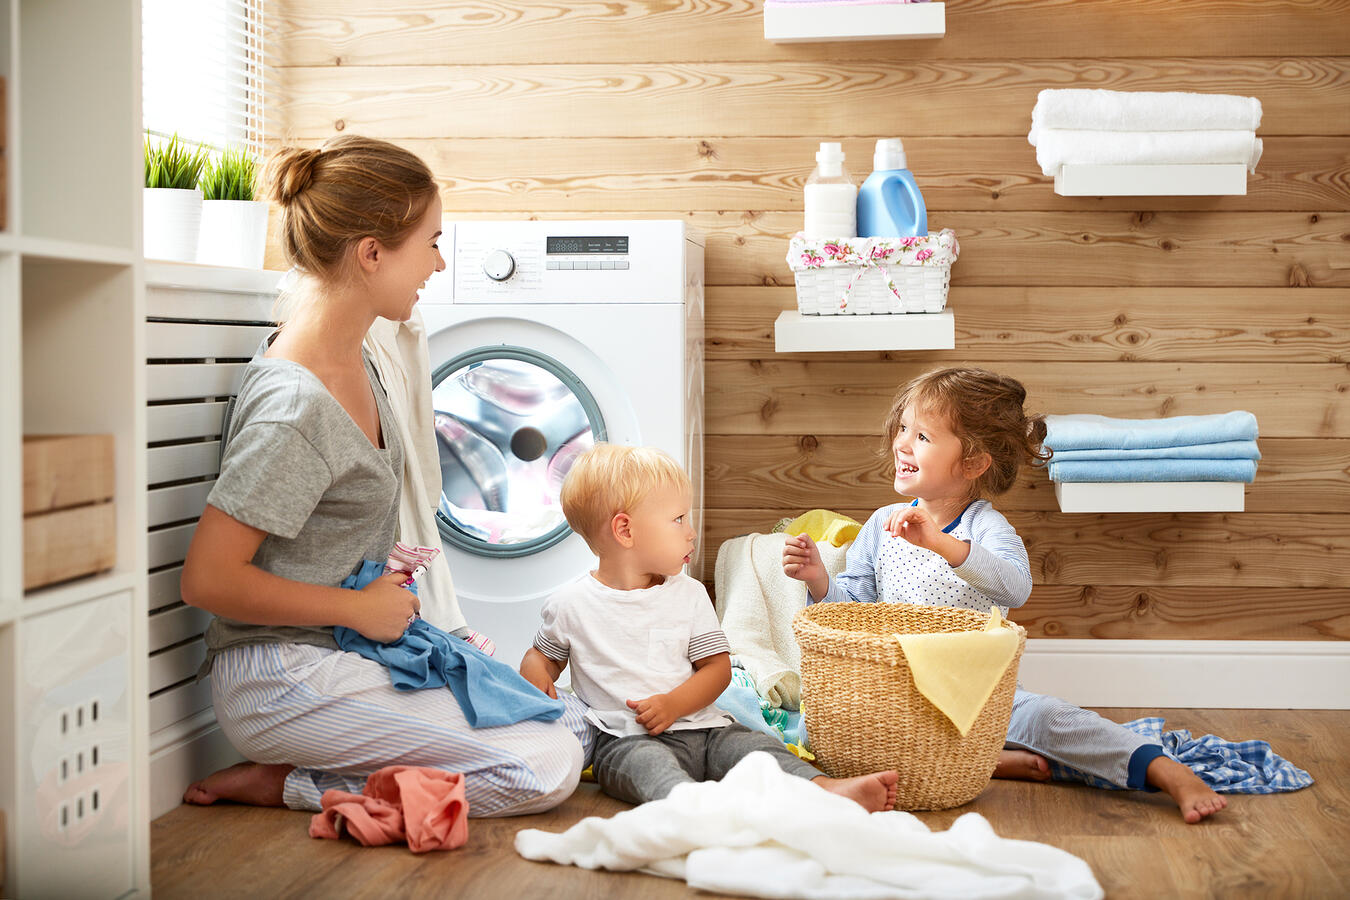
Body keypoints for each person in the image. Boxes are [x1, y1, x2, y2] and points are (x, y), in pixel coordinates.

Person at [180, 135, 591, 816]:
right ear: (371, 253)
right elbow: (209, 579)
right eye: (430, 242)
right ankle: (291, 783)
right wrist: (356, 607)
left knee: (573, 723)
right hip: (281, 677)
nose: (439, 261)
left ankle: (319, 760)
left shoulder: (362, 358)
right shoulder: (297, 409)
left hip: (342, 653)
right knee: (546, 767)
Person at [782, 367, 1228, 824]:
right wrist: (819, 580)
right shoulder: (882, 524)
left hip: (978, 692)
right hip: (900, 696)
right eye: (902, 429)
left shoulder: (985, 527)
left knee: (1050, 719)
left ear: (973, 463)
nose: (901, 443)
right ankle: (985, 761)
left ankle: (1166, 772)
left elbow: (1015, 587)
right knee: (825, 729)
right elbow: (854, 612)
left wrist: (941, 543)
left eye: (922, 436)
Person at [519, 443, 900, 811]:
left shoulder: (689, 594)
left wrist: (675, 704)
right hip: (627, 738)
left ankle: (824, 789)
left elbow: (716, 669)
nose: (691, 532)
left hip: (707, 730)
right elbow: (543, 657)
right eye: (678, 519)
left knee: (755, 749)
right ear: (625, 530)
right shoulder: (571, 604)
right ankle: (694, 808)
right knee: (646, 770)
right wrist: (536, 676)